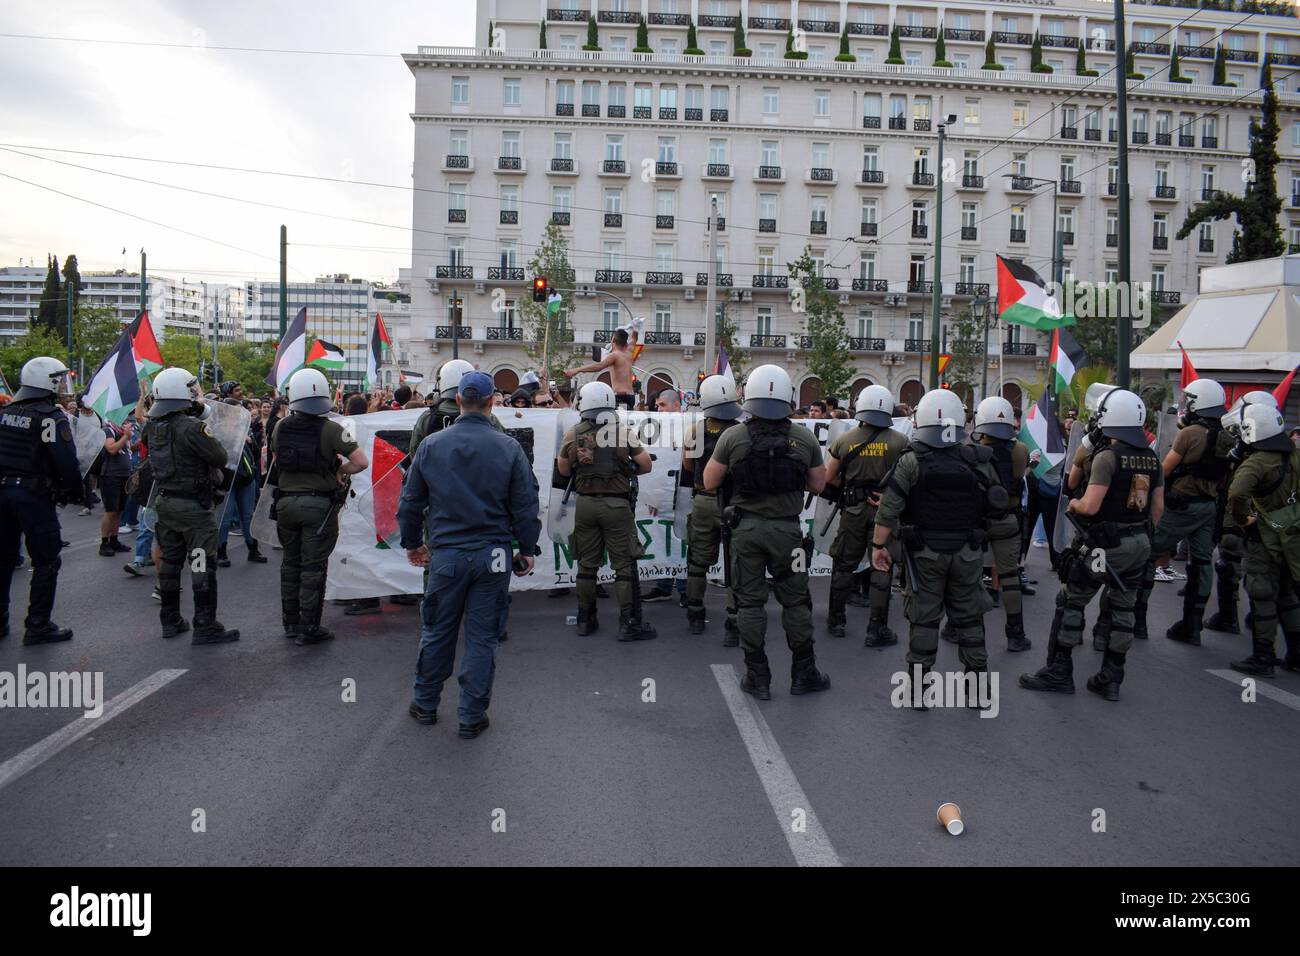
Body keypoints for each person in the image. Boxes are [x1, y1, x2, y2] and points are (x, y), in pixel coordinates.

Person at [400, 371, 540, 738]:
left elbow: (410, 502)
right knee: (482, 637)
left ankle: (426, 703)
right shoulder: (507, 447)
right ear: (493, 401)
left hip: (447, 554)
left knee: (438, 631)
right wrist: (526, 550)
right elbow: (526, 505)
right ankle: (471, 714)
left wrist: (413, 544)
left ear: (458, 400)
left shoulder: (431, 445)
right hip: (493, 555)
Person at [1021, 387, 1162, 701]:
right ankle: (1111, 678)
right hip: (1138, 542)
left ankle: (1059, 672)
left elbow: (1090, 503)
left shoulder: (1107, 458)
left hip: (1104, 545)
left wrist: (1075, 506)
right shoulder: (1151, 458)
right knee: (1124, 609)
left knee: (1071, 602)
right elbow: (1157, 509)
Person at [703, 364, 830, 699]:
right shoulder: (803, 437)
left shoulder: (733, 436)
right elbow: (819, 484)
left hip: (745, 531)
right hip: (789, 533)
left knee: (749, 604)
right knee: (797, 602)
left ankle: (757, 676)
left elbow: (709, 481)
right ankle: (805, 672)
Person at [871, 388, 1002, 706]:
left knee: (924, 620)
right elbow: (996, 504)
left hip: (924, 553)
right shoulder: (978, 461)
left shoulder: (911, 462)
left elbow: (888, 510)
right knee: (970, 619)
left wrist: (878, 546)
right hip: (968, 552)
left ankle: (918, 690)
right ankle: (978, 689)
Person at [141, 367, 239, 645]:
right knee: (200, 563)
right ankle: (205, 624)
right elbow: (219, 456)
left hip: (165, 503)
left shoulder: (152, 426)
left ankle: (170, 619)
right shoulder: (192, 428)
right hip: (193, 509)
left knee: (170, 562)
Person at [271, 368, 369, 644]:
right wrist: (340, 471)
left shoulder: (280, 426)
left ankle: (290, 622)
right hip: (318, 506)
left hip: (286, 503)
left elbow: (275, 460)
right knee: (313, 566)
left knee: (290, 563)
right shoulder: (332, 429)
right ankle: (309, 627)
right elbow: (361, 462)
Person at [556, 380, 656, 641]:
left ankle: (584, 620)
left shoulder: (573, 433)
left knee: (587, 565)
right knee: (623, 565)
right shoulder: (622, 432)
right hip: (617, 506)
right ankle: (628, 623)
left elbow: (563, 470)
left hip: (586, 505)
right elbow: (646, 465)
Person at [1136, 378, 1231, 647]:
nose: (1185, 405)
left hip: (1180, 504)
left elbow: (1163, 469)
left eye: (1190, 400)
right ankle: (1192, 625)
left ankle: (1137, 619)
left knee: (1149, 554)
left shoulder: (1190, 433)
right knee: (1201, 562)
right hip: (1208, 505)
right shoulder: (1227, 433)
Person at [0, 357, 82, 644]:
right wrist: (76, 492)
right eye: (58, 379)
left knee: (4, 558)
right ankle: (38, 625)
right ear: (46, 381)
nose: (62, 385)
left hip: (2, 494)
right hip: (33, 496)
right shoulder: (50, 417)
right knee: (46, 560)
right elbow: (66, 462)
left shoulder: (4, 413)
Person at [823, 384, 908, 647]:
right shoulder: (900, 441)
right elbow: (907, 480)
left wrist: (852, 488)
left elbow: (829, 477)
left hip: (854, 510)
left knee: (843, 564)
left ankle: (836, 620)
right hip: (886, 512)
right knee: (882, 563)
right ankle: (877, 628)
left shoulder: (845, 440)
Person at [1224, 404, 1300, 676]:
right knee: (1287, 594)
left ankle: (1263, 656)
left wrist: (1243, 519)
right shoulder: (1294, 456)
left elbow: (1236, 494)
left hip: (1264, 537)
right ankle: (1296, 653)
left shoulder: (1257, 462)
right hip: (1291, 536)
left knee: (1262, 594)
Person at [680, 374, 742, 639]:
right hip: (734, 503)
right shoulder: (740, 430)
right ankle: (734, 619)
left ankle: (694, 613)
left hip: (704, 499)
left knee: (697, 561)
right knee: (736, 561)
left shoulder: (695, 430)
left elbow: (687, 466)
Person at [970, 396, 1033, 653]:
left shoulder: (972, 453)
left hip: (977, 521)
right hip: (1008, 519)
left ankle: (961, 627)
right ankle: (1015, 633)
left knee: (968, 577)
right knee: (1010, 577)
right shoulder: (1020, 450)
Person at [216, 400, 268, 567]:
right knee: (225, 516)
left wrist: (250, 440)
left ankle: (253, 549)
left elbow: (255, 452)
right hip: (227, 478)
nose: (239, 415)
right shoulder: (218, 428)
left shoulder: (245, 428)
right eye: (236, 411)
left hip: (246, 477)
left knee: (248, 515)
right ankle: (221, 552)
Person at [563, 327, 640, 411]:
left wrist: (576, 370)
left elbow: (599, 366)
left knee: (616, 422)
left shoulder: (614, 355)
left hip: (620, 397)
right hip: (631, 397)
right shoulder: (629, 352)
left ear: (613, 341)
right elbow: (634, 338)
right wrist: (636, 327)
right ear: (625, 343)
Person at [96, 416, 133, 556]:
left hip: (124, 475)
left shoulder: (121, 431)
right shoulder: (108, 430)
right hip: (111, 475)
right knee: (111, 510)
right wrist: (126, 436)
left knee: (119, 510)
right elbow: (111, 449)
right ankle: (104, 543)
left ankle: (114, 540)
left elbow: (129, 451)